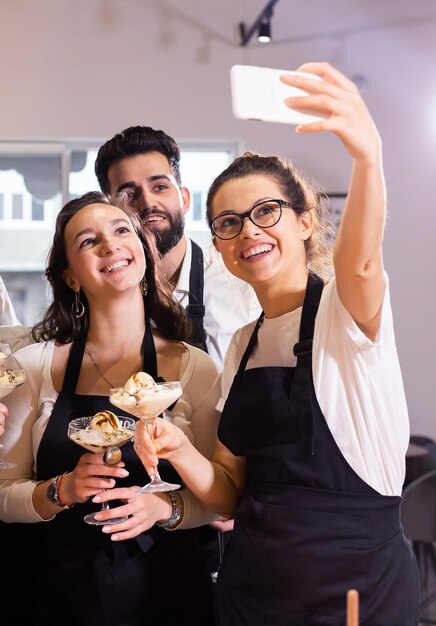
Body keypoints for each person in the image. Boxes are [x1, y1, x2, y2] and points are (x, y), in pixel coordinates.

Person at [134, 62, 420, 625]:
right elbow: (228, 493)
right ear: (217, 244)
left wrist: (367, 155)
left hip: (354, 588)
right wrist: (175, 446)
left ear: (306, 220)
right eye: (228, 223)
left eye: (267, 212)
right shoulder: (242, 343)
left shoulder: (346, 311)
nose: (249, 232)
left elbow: (360, 262)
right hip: (252, 588)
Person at [0, 191, 220, 626]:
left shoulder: (194, 368)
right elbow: (4, 494)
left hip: (172, 598)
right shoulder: (32, 367)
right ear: (71, 278)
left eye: (122, 231)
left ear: (142, 250)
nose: (110, 245)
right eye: (88, 241)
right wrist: (61, 489)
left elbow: (221, 499)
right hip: (61, 597)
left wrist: (167, 508)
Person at [94, 125, 261, 370]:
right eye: (129, 194)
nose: (148, 202)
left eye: (160, 187)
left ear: (184, 199)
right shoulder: (102, 298)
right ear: (110, 211)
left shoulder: (240, 285)